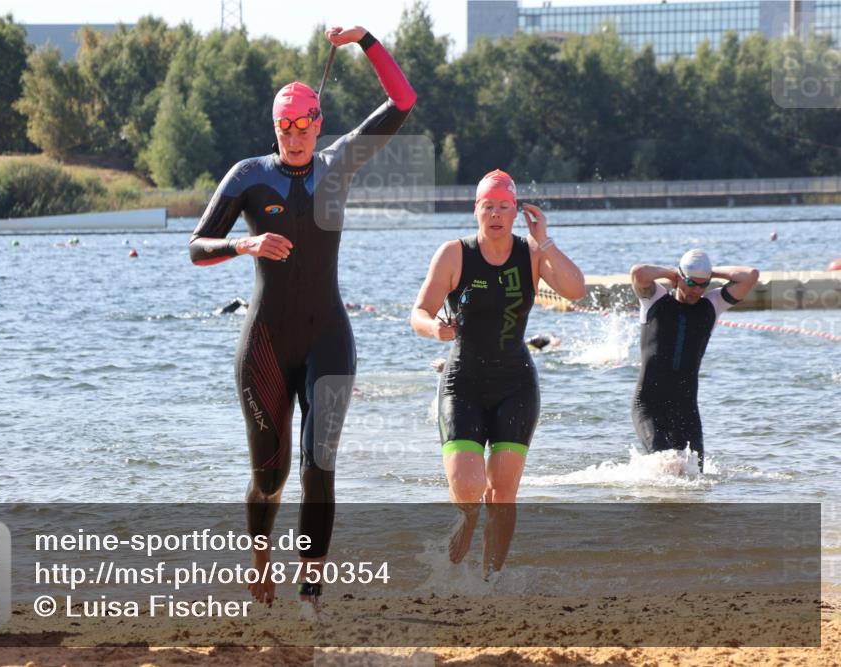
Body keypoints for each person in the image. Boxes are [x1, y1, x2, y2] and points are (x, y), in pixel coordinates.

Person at [189, 25, 416, 611]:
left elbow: (403, 102)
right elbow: (196, 247)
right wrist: (245, 246)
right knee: (271, 473)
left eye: (303, 124)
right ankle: (259, 559)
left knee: (321, 462)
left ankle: (311, 588)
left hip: (329, 338)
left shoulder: (339, 163)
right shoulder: (247, 176)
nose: (293, 136)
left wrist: (366, 40)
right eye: (283, 126)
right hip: (264, 343)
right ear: (276, 127)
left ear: (318, 122)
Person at [410, 170, 585, 574]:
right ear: (476, 211)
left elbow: (576, 290)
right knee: (469, 488)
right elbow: (418, 313)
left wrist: (545, 240)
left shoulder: (532, 253)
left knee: (502, 494)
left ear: (515, 212)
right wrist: (435, 328)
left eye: (504, 207)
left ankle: (491, 579)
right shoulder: (455, 253)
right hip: (462, 383)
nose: (495, 214)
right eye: (487, 206)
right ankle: (467, 520)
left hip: (515, 384)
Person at [630, 250, 759, 472]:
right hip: (649, 404)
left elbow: (750, 275)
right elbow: (638, 273)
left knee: (694, 474)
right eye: (691, 283)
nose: (697, 290)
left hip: (686, 406)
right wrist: (671, 273)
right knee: (666, 465)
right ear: (679, 277)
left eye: (703, 284)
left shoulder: (712, 304)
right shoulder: (655, 299)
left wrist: (708, 273)